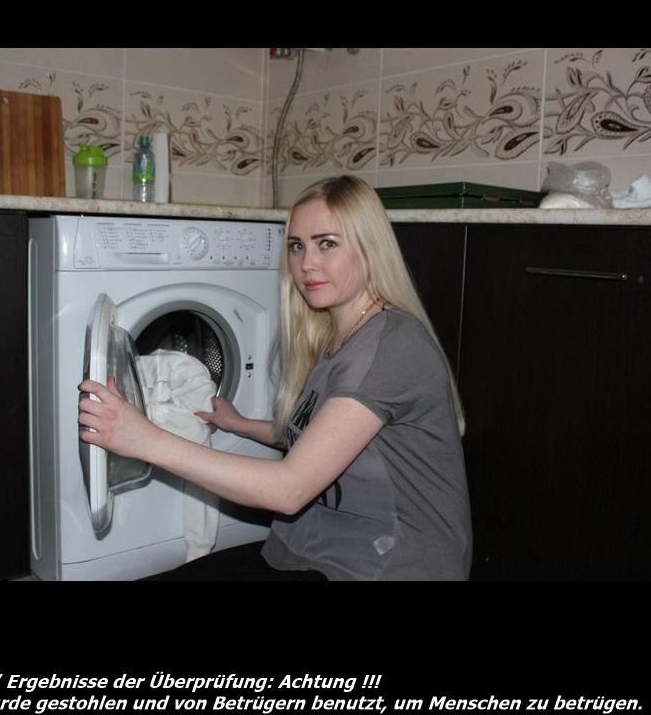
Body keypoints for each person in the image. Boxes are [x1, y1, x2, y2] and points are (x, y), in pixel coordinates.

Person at [78, 175, 472, 581]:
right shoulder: (339, 334)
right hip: (318, 550)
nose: (307, 263)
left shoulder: (392, 346)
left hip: (389, 566)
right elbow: (323, 437)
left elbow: (290, 489)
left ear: (370, 248)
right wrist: (239, 425)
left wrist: (144, 439)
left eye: (327, 244)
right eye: (297, 246)